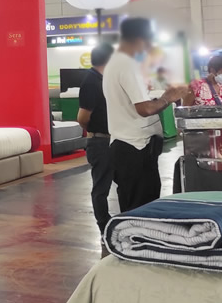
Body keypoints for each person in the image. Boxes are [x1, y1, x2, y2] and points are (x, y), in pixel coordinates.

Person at [103, 17, 190, 213]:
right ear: (140, 39)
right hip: (134, 149)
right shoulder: (128, 65)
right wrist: (168, 98)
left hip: (129, 145)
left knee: (137, 204)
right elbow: (144, 109)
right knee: (141, 209)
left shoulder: (117, 62)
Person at [76, 43, 114, 234]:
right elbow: (82, 118)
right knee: (101, 187)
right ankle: (104, 226)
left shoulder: (103, 80)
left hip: (111, 140)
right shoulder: (91, 82)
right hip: (99, 142)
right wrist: (95, 131)